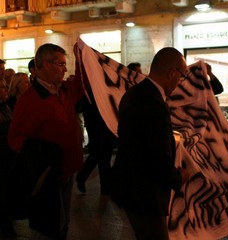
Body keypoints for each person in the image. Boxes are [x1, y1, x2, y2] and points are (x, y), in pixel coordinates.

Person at [8, 43, 85, 240]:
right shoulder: (29, 100)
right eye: (60, 64)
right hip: (47, 176)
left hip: (68, 169)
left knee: (63, 221)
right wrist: (40, 161)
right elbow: (15, 138)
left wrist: (82, 56)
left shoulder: (64, 90)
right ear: (45, 64)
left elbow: (84, 82)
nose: (65, 69)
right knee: (47, 226)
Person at [110, 47, 188, 240]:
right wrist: (178, 177)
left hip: (130, 187)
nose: (180, 82)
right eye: (182, 76)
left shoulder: (135, 92)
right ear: (172, 73)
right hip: (144, 194)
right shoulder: (154, 103)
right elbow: (158, 157)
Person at [76, 88, 118, 195]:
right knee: (99, 156)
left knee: (103, 156)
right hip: (97, 126)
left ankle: (103, 186)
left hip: (102, 126)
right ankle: (84, 177)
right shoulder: (93, 90)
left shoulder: (99, 88)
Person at [0, 79, 16, 237]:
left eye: (6, 87)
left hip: (7, 157)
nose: (5, 90)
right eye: (2, 88)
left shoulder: (5, 107)